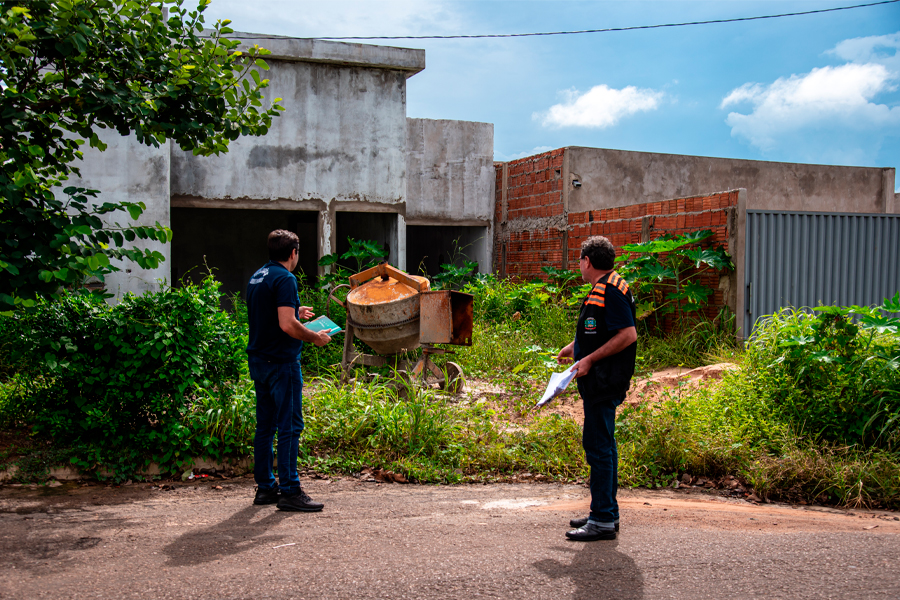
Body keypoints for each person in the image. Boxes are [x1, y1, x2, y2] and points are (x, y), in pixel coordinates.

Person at [556, 236, 637, 541]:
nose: (579, 265)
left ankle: (602, 518)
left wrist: (588, 359)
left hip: (605, 380)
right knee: (604, 446)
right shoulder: (607, 287)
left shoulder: (611, 290)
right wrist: (576, 347)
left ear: (586, 261)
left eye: (579, 260)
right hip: (601, 379)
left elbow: (627, 334)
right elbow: (602, 331)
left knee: (599, 448)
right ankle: (604, 513)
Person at [246, 229, 332, 512]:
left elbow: (273, 314)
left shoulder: (258, 276)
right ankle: (290, 490)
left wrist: (296, 312)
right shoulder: (286, 278)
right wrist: (314, 336)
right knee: (290, 427)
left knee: (265, 427)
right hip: (281, 363)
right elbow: (285, 325)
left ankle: (266, 488)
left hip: (259, 361)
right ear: (293, 253)